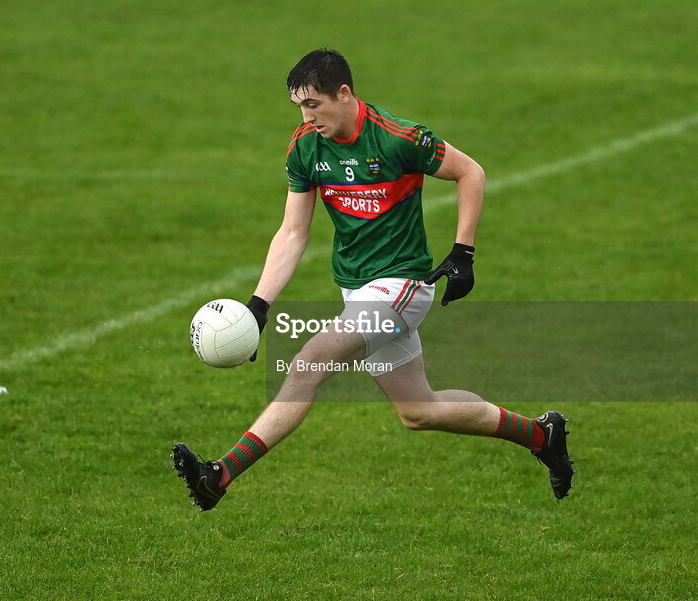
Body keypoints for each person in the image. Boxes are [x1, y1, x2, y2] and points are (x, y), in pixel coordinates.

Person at [172, 49, 574, 510]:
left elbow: (471, 172)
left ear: (344, 94)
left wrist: (463, 253)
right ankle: (543, 435)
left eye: (314, 104)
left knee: (310, 361)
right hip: (357, 289)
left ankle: (219, 475)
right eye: (300, 106)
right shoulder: (306, 145)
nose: (307, 116)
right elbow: (293, 231)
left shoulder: (397, 138)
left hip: (402, 287)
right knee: (419, 411)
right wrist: (259, 306)